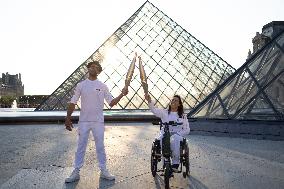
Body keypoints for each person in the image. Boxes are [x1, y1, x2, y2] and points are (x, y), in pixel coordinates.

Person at [65, 60, 128, 183]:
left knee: (100, 147)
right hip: (84, 121)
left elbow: (111, 102)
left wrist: (122, 94)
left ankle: (104, 170)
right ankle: (76, 171)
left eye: (96, 67)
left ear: (99, 71)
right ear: (88, 69)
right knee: (80, 147)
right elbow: (73, 102)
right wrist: (68, 118)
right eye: (91, 66)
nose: (93, 68)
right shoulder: (81, 85)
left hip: (98, 122)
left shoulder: (103, 86)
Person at [145, 93, 190, 171]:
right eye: (172, 100)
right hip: (165, 132)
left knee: (174, 138)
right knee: (163, 137)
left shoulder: (183, 116)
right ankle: (165, 161)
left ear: (179, 104)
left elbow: (187, 129)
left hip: (177, 134)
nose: (173, 101)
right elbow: (154, 110)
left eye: (176, 101)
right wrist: (149, 101)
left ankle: (175, 163)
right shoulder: (164, 112)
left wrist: (177, 134)